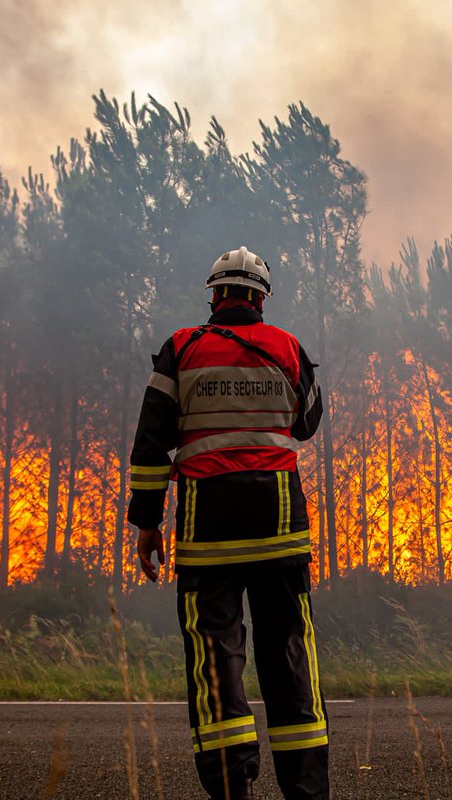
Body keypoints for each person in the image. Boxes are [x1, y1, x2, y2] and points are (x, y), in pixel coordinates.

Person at [127, 246, 328, 800]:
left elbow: (150, 447)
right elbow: (307, 423)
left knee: (215, 660)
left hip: (207, 531)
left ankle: (232, 790)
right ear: (261, 299)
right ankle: (306, 791)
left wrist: (148, 523)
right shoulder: (287, 347)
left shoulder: (181, 349)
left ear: (213, 296)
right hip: (280, 527)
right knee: (289, 653)